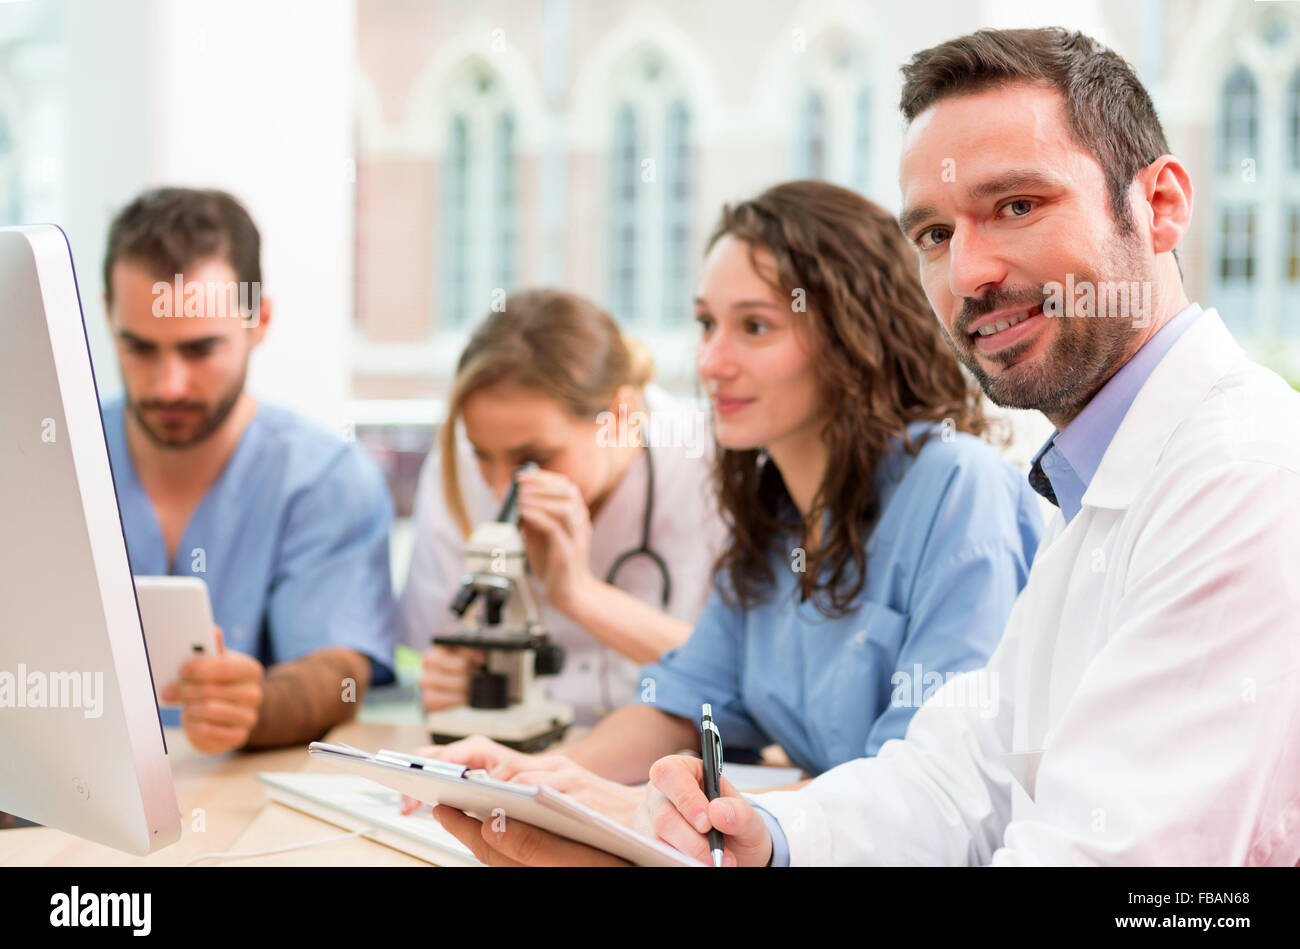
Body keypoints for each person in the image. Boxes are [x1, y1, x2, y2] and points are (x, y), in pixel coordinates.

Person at [441, 26, 1300, 867]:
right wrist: (759, 841)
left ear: (1160, 206)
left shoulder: (1237, 478)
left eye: (1017, 206)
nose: (969, 274)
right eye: (934, 234)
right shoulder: (1092, 486)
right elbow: (953, 779)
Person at [425, 180, 1044, 825]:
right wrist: (542, 777)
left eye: (754, 327)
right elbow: (686, 702)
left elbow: (925, 789)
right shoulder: (776, 519)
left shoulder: (957, 492)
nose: (711, 362)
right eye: (706, 325)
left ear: (855, 338)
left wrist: (636, 806)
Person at [101, 187, 399, 755]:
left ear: (258, 319)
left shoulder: (325, 480)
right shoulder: (48, 459)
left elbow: (339, 674)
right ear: (107, 316)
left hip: (239, 808)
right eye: (139, 348)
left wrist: (255, 705)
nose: (168, 385)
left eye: (199, 350)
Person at [401, 290, 726, 724]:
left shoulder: (713, 467)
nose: (501, 490)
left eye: (533, 459)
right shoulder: (456, 467)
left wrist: (578, 594)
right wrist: (450, 682)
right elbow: (439, 647)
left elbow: (737, 682)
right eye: (483, 455)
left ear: (621, 415)